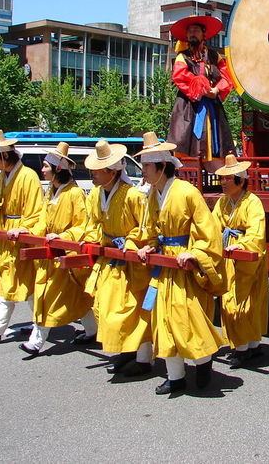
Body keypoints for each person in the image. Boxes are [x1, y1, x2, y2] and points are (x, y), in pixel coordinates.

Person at [134, 132, 226, 395]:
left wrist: (195, 253)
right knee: (162, 318)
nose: (144, 172)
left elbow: (208, 231)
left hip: (184, 265)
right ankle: (175, 376)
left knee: (187, 317)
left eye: (147, 167)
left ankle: (203, 361)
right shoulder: (152, 194)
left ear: (162, 166)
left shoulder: (187, 192)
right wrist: (150, 244)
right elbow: (150, 229)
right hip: (163, 265)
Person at [81, 139, 152, 376]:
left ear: (111, 172)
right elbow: (92, 223)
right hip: (109, 258)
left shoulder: (132, 195)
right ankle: (126, 351)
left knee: (134, 309)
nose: (93, 174)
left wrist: (129, 243)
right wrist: (91, 239)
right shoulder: (96, 194)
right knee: (104, 307)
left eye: (97, 171)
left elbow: (144, 227)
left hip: (130, 261)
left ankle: (143, 359)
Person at [18, 143, 96, 357]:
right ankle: (93, 330)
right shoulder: (50, 191)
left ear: (57, 169)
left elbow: (83, 224)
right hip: (49, 251)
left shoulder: (75, 194)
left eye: (45, 166)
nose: (42, 170)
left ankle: (36, 341)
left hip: (65, 254)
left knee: (48, 295)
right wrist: (29, 231)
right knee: (79, 297)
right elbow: (43, 219)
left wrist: (63, 237)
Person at [0, 130, 43, 343]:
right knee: (11, 282)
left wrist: (24, 228)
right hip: (6, 235)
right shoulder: (0, 177)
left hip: (21, 237)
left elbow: (36, 210)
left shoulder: (28, 176)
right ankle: (1, 329)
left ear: (5, 156)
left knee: (26, 284)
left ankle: (32, 326)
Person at [213, 154, 269, 368]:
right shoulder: (222, 202)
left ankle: (248, 346)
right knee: (229, 300)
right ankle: (244, 345)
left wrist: (242, 244)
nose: (223, 183)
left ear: (239, 179)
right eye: (222, 179)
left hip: (248, 261)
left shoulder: (253, 202)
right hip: (228, 255)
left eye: (228, 179)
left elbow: (256, 233)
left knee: (248, 302)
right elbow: (212, 225)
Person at [167, 15, 234, 168]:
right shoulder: (182, 57)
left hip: (212, 106)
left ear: (204, 34)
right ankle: (188, 171)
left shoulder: (214, 56)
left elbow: (227, 77)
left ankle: (218, 172)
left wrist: (216, 90)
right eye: (189, 31)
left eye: (196, 30)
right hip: (188, 107)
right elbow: (180, 77)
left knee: (216, 143)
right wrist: (202, 88)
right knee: (184, 140)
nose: (192, 33)